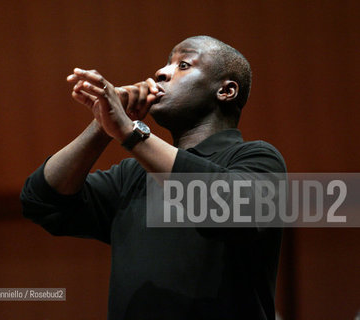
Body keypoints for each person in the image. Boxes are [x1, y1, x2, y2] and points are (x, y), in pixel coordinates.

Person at [20, 35, 286, 319]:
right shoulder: (132, 175)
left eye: (183, 64)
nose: (160, 73)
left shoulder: (257, 158)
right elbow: (42, 199)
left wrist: (129, 132)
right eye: (166, 64)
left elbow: (227, 206)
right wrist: (103, 126)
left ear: (226, 91)